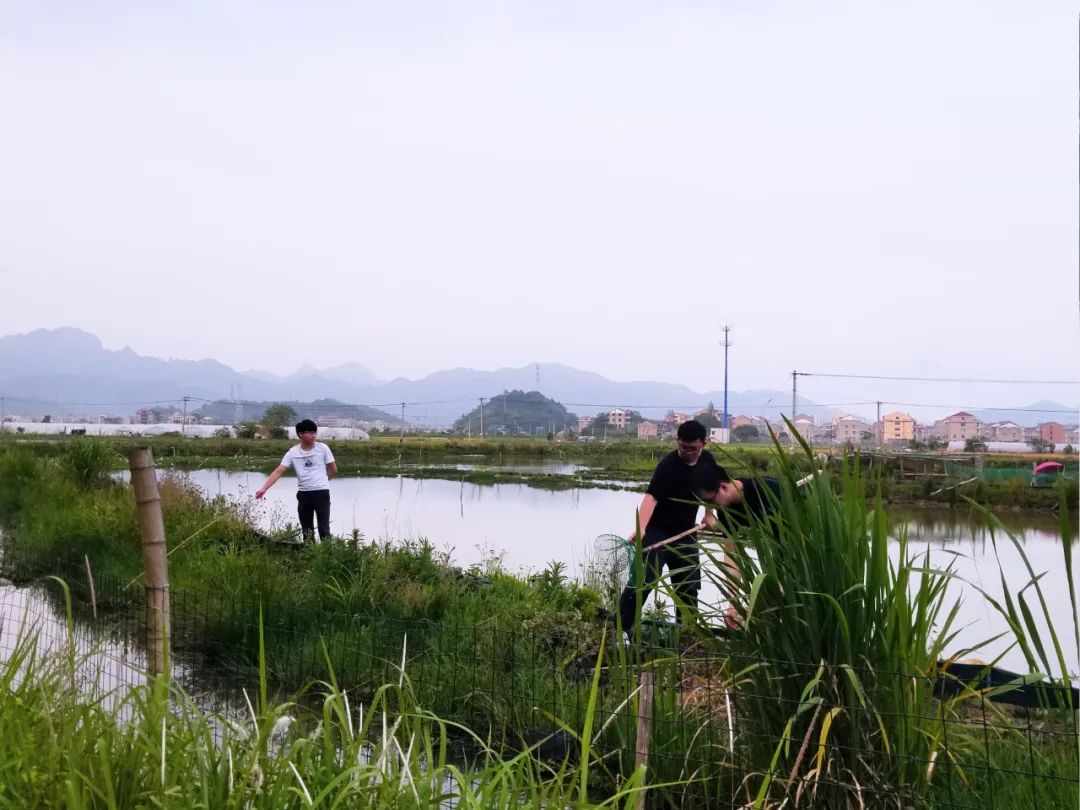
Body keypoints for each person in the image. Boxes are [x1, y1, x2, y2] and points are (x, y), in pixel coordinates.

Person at [618, 419, 721, 633]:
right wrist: (641, 528)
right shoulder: (668, 465)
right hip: (657, 533)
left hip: (686, 533)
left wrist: (709, 514)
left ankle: (685, 634)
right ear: (678, 442)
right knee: (642, 582)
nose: (688, 452)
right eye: (683, 447)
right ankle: (620, 630)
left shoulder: (708, 461)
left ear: (704, 443)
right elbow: (650, 499)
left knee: (689, 586)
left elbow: (712, 491)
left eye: (693, 448)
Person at [692, 464, 783, 627]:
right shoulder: (726, 508)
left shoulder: (768, 493)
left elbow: (788, 550)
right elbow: (732, 555)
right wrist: (733, 604)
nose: (711, 505)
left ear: (724, 487)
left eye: (710, 500)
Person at [255, 418, 338, 541]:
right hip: (304, 494)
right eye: (310, 432)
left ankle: (327, 556)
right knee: (307, 530)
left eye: (315, 432)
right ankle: (309, 556)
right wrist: (263, 489)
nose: (313, 435)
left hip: (322, 493)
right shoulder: (293, 453)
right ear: (300, 434)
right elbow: (278, 471)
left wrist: (323, 482)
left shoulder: (323, 448)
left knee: (323, 529)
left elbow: (333, 469)